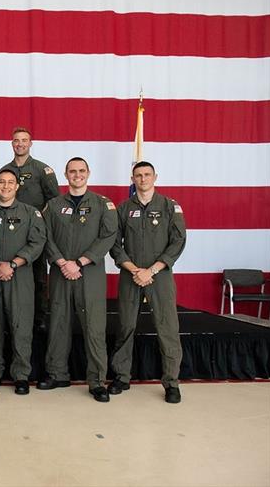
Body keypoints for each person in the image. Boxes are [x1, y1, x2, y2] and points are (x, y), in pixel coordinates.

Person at [39, 157, 117, 402]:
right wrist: (62, 262)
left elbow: (108, 237)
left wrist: (80, 262)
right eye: (72, 171)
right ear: (66, 174)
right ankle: (57, 373)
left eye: (81, 171)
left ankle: (96, 381)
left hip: (90, 273)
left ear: (88, 173)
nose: (77, 175)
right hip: (61, 272)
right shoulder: (53, 205)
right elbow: (46, 236)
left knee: (94, 327)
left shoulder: (103, 204)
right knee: (58, 324)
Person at [109, 161, 187, 404]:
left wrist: (152, 269)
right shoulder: (123, 208)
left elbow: (178, 241)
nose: (143, 179)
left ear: (155, 177)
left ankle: (171, 383)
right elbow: (114, 243)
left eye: (147, 175)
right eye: (138, 175)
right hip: (130, 274)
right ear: (132, 179)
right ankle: (122, 376)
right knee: (125, 326)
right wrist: (134, 269)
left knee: (167, 328)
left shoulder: (169, 206)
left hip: (159, 275)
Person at [0, 168, 46, 395]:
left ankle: (21, 376)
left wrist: (14, 264)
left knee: (21, 327)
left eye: (10, 182)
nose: (6, 186)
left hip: (20, 277)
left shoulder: (30, 213)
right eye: (1, 182)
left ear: (17, 186)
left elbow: (37, 242)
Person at [0, 127, 60, 331]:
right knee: (11, 270)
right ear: (12, 143)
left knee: (38, 275)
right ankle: (11, 317)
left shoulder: (42, 170)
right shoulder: (5, 170)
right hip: (9, 230)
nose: (20, 144)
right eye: (16, 140)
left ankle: (38, 317)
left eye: (24, 140)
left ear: (30, 143)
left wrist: (39, 221)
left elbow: (54, 201)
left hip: (34, 231)